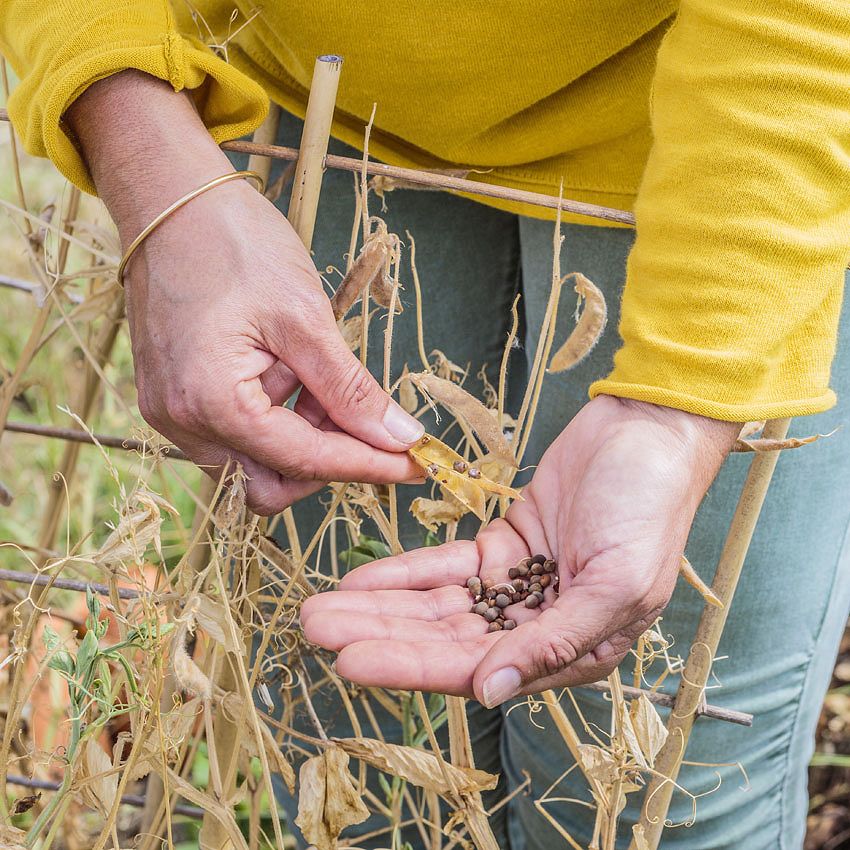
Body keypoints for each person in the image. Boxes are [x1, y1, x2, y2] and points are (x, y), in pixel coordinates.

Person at [3, 3, 850, 848]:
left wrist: (681, 405)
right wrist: (151, 161)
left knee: (653, 793)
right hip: (322, 100)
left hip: (738, 146)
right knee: (344, 742)